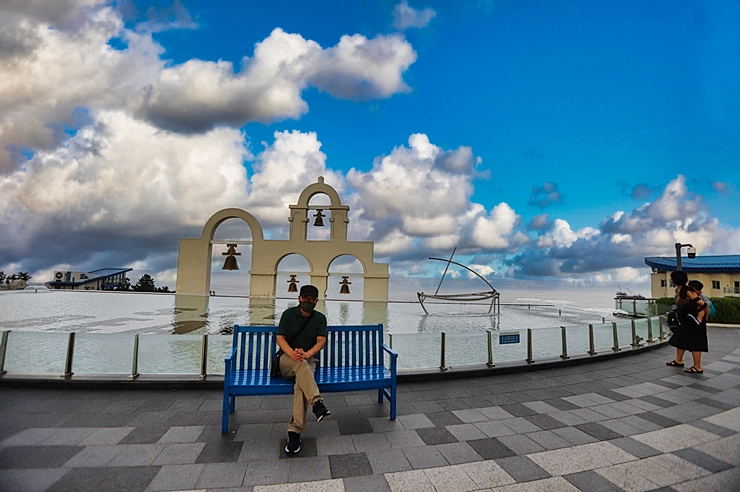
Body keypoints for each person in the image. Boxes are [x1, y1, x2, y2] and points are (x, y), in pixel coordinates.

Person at [277, 284, 331, 454]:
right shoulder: (288, 315)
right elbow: (280, 338)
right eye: (305, 298)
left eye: (311, 299)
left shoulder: (320, 318)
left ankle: (294, 431)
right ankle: (317, 403)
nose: (308, 302)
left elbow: (321, 341)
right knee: (302, 368)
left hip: (308, 359)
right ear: (299, 298)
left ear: (316, 301)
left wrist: (307, 353)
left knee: (301, 384)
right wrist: (293, 353)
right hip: (287, 359)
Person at [666, 272, 709, 374]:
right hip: (685, 320)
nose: (670, 280)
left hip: (693, 320)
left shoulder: (687, 291)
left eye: (671, 278)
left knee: (696, 342)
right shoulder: (678, 290)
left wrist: (704, 316)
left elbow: (702, 304)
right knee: (680, 338)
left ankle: (697, 367)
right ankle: (678, 360)